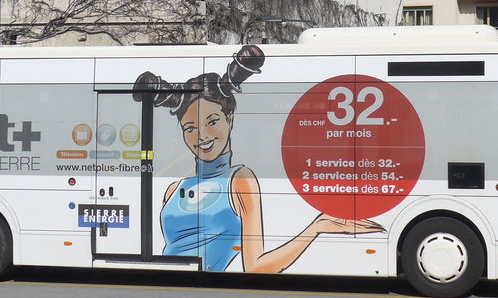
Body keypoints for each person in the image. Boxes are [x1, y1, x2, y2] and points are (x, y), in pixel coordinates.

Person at [134, 46, 382, 273]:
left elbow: (255, 267)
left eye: (212, 122)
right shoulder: (173, 190)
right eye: (190, 128)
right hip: (176, 288)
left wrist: (314, 229)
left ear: (229, 119)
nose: (203, 136)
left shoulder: (239, 180)